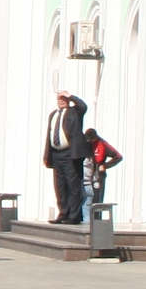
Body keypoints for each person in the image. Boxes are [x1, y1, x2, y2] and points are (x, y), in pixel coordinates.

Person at [45, 91, 90, 223]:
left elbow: (83, 106)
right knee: (60, 186)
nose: (62, 101)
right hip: (56, 154)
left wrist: (71, 96)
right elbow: (50, 135)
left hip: (71, 154)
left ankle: (74, 215)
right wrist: (47, 154)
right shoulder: (53, 114)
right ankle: (63, 212)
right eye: (60, 99)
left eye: (64, 99)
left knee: (73, 185)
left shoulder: (74, 112)